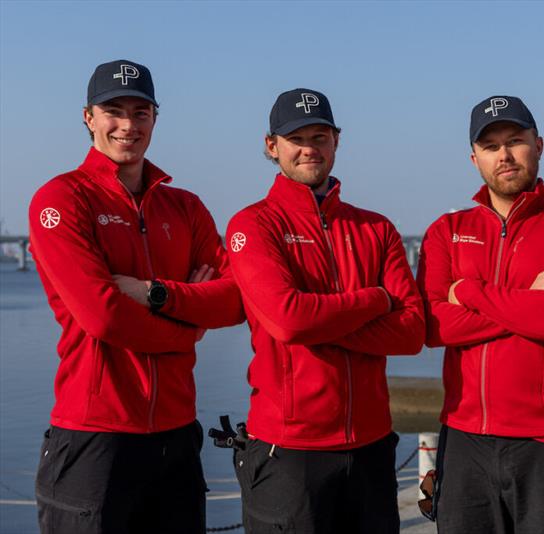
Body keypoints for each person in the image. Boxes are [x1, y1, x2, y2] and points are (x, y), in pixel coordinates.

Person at [28, 59, 244, 533]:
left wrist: (158, 295)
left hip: (177, 436)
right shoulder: (61, 199)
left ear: (155, 119)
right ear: (88, 117)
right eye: (114, 111)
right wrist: (189, 327)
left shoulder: (185, 207)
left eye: (140, 113)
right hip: (94, 437)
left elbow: (236, 300)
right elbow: (102, 317)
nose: (128, 125)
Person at [225, 88, 425, 534]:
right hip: (288, 452)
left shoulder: (376, 228)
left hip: (371, 447)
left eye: (319, 136)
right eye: (296, 138)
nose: (309, 148)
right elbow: (289, 320)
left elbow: (411, 332)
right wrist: (375, 300)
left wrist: (316, 321)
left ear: (336, 141)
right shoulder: (253, 225)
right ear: (271, 146)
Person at [416, 95, 544, 533]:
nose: (503, 155)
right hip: (463, 440)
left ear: (538, 145)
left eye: (515, 141)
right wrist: (529, 299)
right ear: (474, 158)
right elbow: (433, 325)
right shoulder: (447, 231)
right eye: (490, 146)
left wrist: (468, 291)